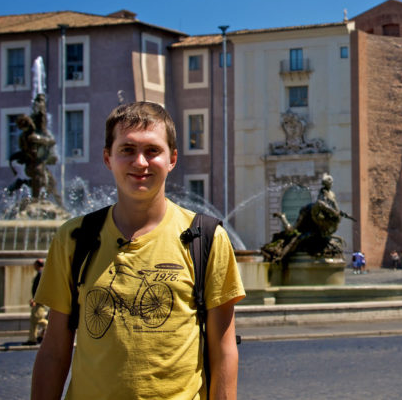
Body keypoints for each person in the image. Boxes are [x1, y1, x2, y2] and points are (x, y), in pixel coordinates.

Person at [31, 102, 245, 400]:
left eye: (152, 151)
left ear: (172, 159)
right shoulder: (74, 238)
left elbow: (223, 351)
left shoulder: (206, 238)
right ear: (108, 158)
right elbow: (54, 350)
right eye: (127, 150)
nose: (140, 162)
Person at [25, 259, 48, 345]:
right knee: (33, 320)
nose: (33, 266)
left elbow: (40, 288)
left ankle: (50, 327)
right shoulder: (41, 274)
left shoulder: (41, 274)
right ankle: (32, 339)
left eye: (34, 264)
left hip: (38, 301)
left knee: (38, 319)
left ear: (38, 265)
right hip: (37, 300)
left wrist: (35, 299)